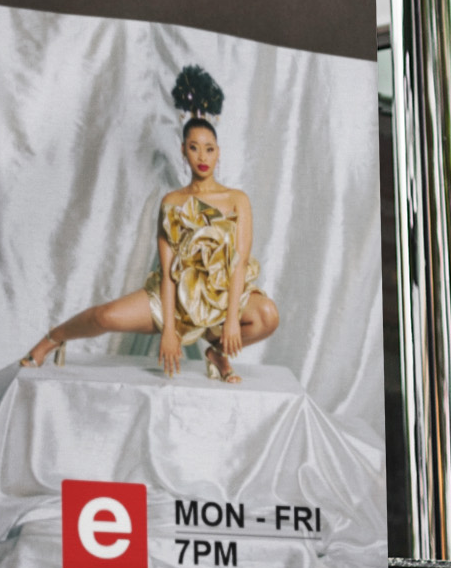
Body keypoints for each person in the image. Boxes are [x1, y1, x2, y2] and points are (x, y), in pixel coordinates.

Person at [21, 66, 280, 384]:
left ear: (218, 153)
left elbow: (239, 263)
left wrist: (229, 322)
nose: (202, 156)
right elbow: (169, 271)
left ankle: (217, 354)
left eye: (209, 149)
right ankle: (53, 338)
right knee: (106, 316)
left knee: (268, 315)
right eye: (194, 147)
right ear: (183, 151)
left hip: (223, 296)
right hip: (178, 299)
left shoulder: (237, 199)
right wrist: (169, 329)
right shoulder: (172, 202)